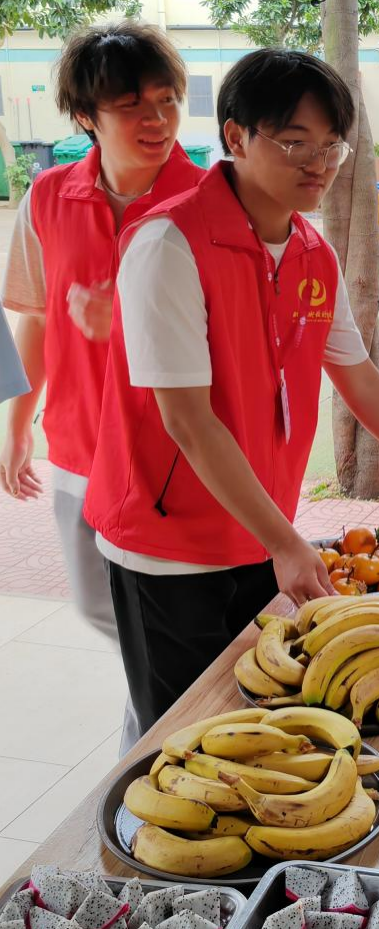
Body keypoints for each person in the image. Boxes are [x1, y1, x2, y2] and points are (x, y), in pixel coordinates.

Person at [84, 48, 379, 735]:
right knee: (183, 735)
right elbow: (188, 422)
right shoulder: (169, 245)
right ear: (237, 136)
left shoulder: (311, 253)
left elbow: (360, 378)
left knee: (257, 722)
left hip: (260, 532)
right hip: (167, 547)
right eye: (295, 142)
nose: (319, 163)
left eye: (332, 145)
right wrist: (285, 540)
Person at [0, 22, 205, 753]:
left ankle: (148, 758)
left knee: (166, 627)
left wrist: (122, 321)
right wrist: (17, 424)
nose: (156, 119)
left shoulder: (210, 201)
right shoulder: (48, 197)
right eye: (130, 105)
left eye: (166, 100)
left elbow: (230, 335)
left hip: (171, 457)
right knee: (99, 607)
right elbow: (34, 315)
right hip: (79, 448)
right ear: (86, 115)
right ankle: (165, 714)